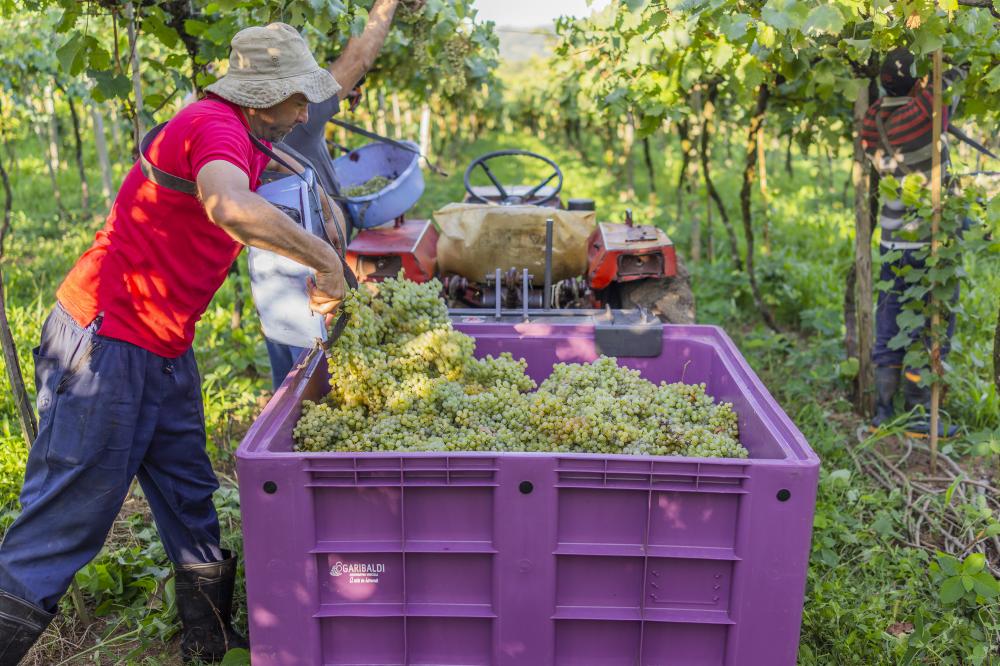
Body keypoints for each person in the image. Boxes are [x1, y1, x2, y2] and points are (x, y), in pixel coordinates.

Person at [0, 23, 346, 665]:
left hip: (163, 345)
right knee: (66, 520)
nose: (306, 110)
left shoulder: (249, 136)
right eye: (298, 97)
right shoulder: (213, 125)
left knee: (190, 496)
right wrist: (323, 259)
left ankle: (209, 644)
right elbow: (228, 206)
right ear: (260, 95)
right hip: (105, 343)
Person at [264, 0, 402, 389]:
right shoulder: (294, 114)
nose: (307, 111)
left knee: (290, 372)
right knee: (321, 378)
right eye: (303, 97)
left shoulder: (263, 120)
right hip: (312, 266)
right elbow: (358, 57)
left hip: (274, 263)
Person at [861, 47, 967, 437]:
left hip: (892, 242)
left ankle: (882, 412)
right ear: (918, 82)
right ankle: (922, 415)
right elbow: (954, 78)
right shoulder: (925, 115)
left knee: (890, 319)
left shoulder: (873, 121)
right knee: (931, 326)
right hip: (931, 242)